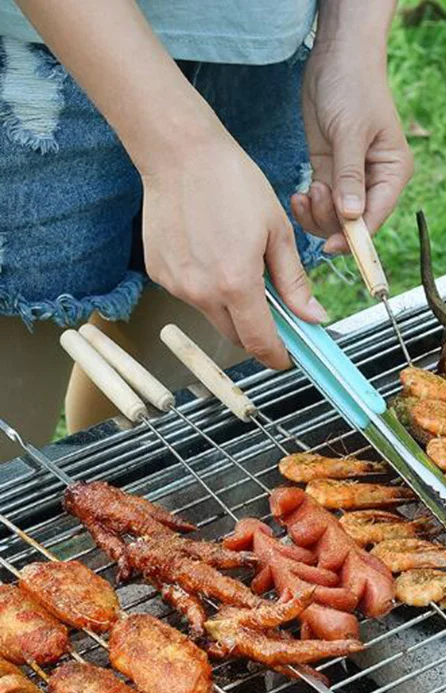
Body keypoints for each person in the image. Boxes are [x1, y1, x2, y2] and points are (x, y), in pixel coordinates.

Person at [0, 0, 413, 462]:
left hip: (266, 48)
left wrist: (349, 44)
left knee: (176, 383)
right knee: (13, 399)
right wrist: (179, 151)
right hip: (35, 43)